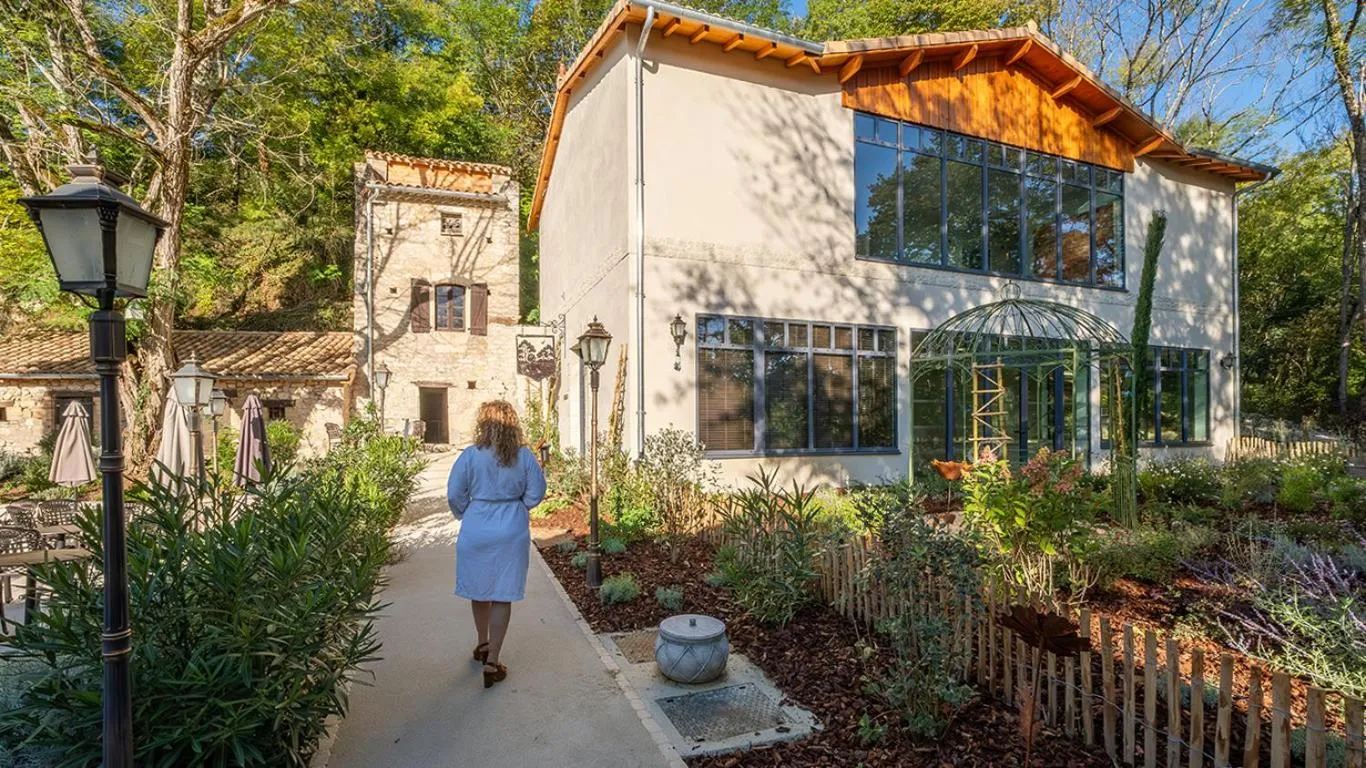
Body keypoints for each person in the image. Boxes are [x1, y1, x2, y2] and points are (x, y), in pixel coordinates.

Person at [447, 400, 547, 688]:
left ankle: (482, 645)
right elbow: (537, 491)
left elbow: (455, 493)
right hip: (511, 528)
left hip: (477, 525)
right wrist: (519, 507)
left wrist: (468, 512)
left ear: (483, 424)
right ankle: (492, 662)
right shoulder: (524, 456)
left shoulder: (470, 456)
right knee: (502, 593)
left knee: (479, 589)